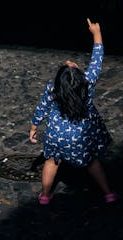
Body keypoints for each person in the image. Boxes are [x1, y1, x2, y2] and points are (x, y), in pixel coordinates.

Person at [29, 18, 117, 205]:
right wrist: (97, 33)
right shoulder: (88, 83)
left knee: (51, 162)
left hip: (56, 135)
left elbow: (42, 107)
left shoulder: (53, 88)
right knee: (93, 162)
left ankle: (45, 195)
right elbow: (97, 59)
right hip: (82, 135)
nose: (70, 63)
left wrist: (34, 126)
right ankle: (108, 193)